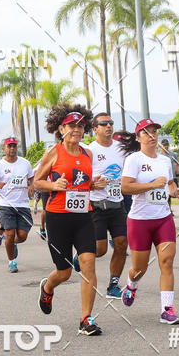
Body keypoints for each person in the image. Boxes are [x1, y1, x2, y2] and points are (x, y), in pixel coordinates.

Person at [33, 105, 106, 336]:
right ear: (61, 129)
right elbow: (37, 182)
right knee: (64, 272)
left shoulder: (87, 154)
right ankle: (48, 286)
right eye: (71, 125)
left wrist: (94, 184)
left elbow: (83, 183)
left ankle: (86, 318)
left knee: (88, 264)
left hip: (83, 216)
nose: (77, 129)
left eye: (81, 126)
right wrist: (54, 185)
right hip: (58, 218)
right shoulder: (53, 152)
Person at [117, 119, 179, 324]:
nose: (152, 136)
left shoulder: (164, 161)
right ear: (138, 138)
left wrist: (177, 192)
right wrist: (151, 185)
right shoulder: (134, 159)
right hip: (140, 221)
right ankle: (131, 285)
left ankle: (167, 310)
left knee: (167, 261)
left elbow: (170, 184)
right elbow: (126, 187)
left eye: (154, 132)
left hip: (163, 219)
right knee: (140, 268)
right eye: (146, 133)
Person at [72, 113, 128, 298]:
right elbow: (80, 179)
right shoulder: (89, 150)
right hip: (96, 205)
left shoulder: (121, 148)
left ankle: (113, 285)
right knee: (101, 249)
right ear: (95, 129)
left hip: (117, 204)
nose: (109, 126)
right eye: (104, 123)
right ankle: (81, 255)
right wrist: (93, 185)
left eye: (111, 123)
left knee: (121, 244)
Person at [0, 137, 34, 272]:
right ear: (4, 149)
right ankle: (12, 261)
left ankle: (12, 243)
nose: (12, 148)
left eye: (14, 146)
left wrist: (31, 186)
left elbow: (31, 178)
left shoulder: (25, 163)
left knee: (22, 236)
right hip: (5, 204)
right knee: (10, 233)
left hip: (22, 204)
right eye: (9, 146)